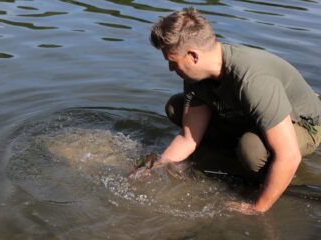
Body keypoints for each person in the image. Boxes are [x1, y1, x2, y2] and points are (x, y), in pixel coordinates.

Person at [130, 8, 321, 215]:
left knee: (252, 150)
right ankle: (235, 152)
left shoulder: (252, 79)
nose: (170, 68)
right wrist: (157, 166)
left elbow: (289, 155)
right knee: (176, 107)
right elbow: (188, 137)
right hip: (248, 115)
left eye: (172, 61)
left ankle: (274, 178)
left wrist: (257, 207)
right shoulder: (195, 79)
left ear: (193, 55)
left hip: (303, 124)